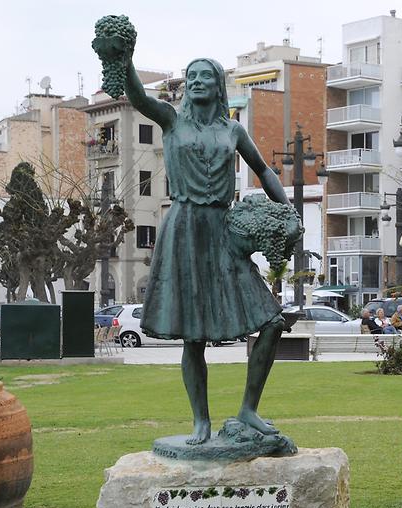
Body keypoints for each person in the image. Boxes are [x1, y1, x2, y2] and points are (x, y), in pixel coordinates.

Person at [108, 44, 301, 445]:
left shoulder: (233, 130)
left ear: (218, 87)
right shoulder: (171, 120)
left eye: (206, 77)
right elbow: (139, 96)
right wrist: (124, 57)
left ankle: (248, 410)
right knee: (193, 337)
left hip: (224, 231)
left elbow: (263, 170)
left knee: (271, 321)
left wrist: (289, 212)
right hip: (183, 230)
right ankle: (201, 422)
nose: (197, 82)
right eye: (191, 76)